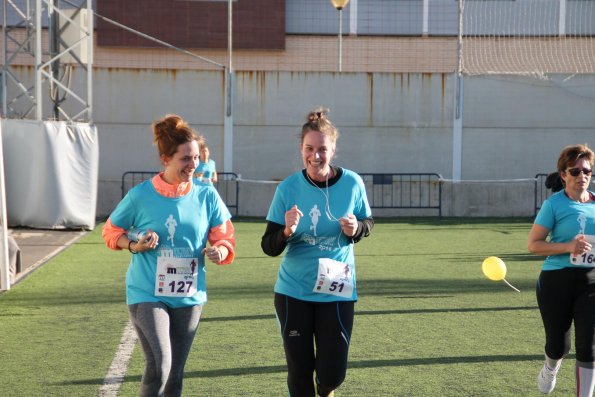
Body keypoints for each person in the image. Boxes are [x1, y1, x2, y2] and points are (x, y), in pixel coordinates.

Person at [102, 114, 235, 397]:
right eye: (185, 158)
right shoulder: (141, 195)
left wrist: (219, 250)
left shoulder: (206, 194)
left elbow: (225, 236)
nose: (193, 165)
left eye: (196, 157)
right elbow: (111, 230)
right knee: (161, 364)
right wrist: (133, 245)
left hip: (189, 294)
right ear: (166, 159)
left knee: (174, 375)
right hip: (147, 292)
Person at [261, 107, 373, 397]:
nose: (316, 156)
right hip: (293, 292)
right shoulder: (288, 188)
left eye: (322, 149)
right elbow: (268, 245)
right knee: (300, 371)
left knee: (332, 375)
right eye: (309, 149)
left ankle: (327, 389)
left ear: (333, 149)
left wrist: (356, 228)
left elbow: (367, 222)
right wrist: (285, 231)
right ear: (301, 149)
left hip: (337, 290)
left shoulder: (352, 183)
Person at [528, 144, 594, 397]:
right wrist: (569, 246)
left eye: (586, 171)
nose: (582, 176)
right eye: (575, 172)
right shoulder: (554, 205)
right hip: (557, 280)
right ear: (564, 174)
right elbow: (534, 245)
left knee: (589, 347)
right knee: (558, 346)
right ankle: (551, 366)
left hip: (591, 281)